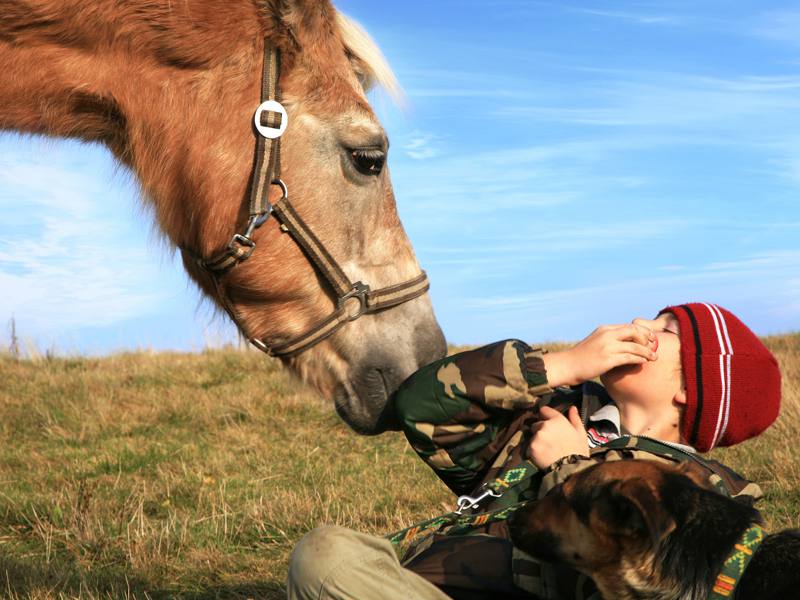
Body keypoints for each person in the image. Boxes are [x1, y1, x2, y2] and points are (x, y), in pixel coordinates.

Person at [287, 303, 781, 600]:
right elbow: (418, 406)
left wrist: (570, 468)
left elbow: (632, 584)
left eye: (666, 330)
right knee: (325, 555)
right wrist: (561, 367)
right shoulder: (548, 416)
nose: (639, 323)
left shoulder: (700, 493)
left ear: (690, 391)